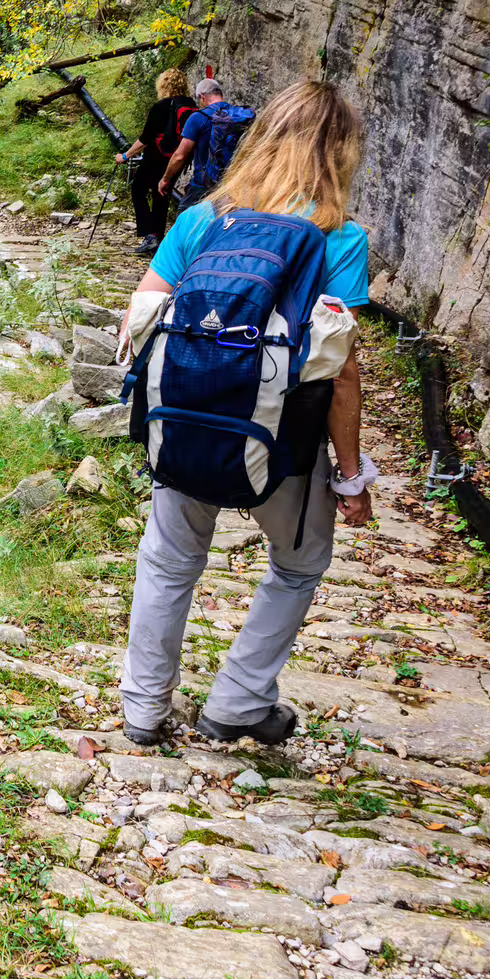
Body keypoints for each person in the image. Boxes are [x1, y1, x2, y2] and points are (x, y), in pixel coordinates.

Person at [119, 79, 377, 747]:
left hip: (183, 426)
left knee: (169, 560)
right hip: (282, 445)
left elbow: (140, 319)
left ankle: (144, 710)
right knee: (298, 564)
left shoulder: (201, 221)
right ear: (340, 153)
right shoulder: (339, 240)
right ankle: (238, 698)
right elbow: (340, 370)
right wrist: (350, 474)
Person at [115, 69, 196, 255]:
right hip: (177, 160)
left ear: (163, 85)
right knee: (162, 196)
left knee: (138, 191)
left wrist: (125, 156)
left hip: (155, 157)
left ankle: (150, 236)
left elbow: (144, 139)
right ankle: (156, 239)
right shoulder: (191, 105)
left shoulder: (161, 106)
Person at [160, 77, 257, 212]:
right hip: (234, 184)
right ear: (220, 94)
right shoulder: (240, 117)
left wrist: (165, 179)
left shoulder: (198, 117)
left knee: (185, 218)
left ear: (202, 97)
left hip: (203, 185)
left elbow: (179, 156)